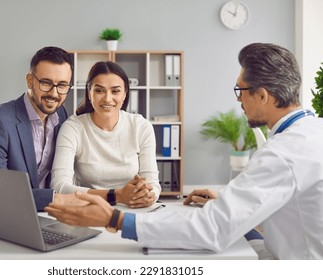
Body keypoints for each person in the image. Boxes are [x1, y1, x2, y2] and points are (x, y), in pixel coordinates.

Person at [45, 43, 323, 259]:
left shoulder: (283, 152)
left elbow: (212, 230)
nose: (239, 99)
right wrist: (226, 200)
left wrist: (115, 218)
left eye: (241, 90)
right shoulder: (309, 133)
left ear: (262, 95)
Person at [50, 61, 160, 208]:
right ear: (89, 93)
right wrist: (116, 196)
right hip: (88, 209)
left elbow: (153, 183)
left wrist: (148, 196)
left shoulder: (141, 126)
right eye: (99, 90)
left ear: (125, 94)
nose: (107, 99)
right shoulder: (73, 128)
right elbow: (59, 186)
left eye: (115, 91)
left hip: (133, 208)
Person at [0, 46, 73, 211]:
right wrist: (57, 199)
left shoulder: (62, 114)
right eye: (46, 83)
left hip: (54, 216)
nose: (54, 93)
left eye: (62, 85)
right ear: (30, 80)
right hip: (13, 215)